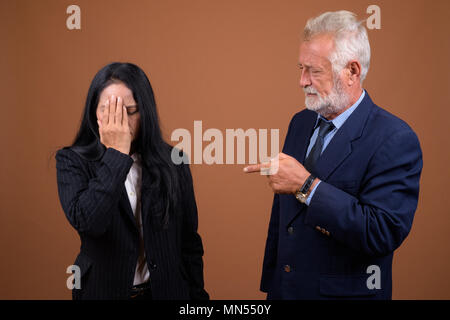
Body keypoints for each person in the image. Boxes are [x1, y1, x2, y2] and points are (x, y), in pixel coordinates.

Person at [244, 11, 423, 299]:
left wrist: (307, 186)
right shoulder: (300, 123)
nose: (302, 81)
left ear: (352, 71)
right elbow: (284, 219)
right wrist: (273, 284)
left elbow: (382, 232)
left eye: (314, 71)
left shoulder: (395, 138)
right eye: (301, 68)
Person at [56, 62, 209, 300]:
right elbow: (89, 222)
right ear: (93, 112)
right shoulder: (72, 160)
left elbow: (189, 243)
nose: (118, 122)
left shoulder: (174, 161)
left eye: (128, 111)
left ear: (144, 111)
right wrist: (116, 154)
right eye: (108, 111)